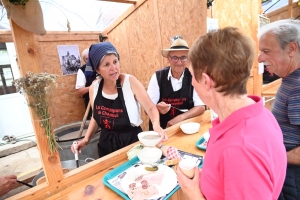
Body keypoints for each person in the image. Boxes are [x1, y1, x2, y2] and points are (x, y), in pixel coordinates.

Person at [176, 27, 286, 199]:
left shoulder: (240, 149)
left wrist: (195, 194)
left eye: (191, 74)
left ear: (206, 81)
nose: (190, 82)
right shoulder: (259, 113)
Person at [71, 42, 167, 158]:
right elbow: (96, 117)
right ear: (97, 69)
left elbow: (151, 108)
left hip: (131, 142)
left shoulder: (130, 82)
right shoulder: (94, 89)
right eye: (106, 65)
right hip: (106, 144)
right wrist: (86, 140)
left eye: (115, 62)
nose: (113, 68)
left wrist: (156, 124)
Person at [257, 19, 300, 200]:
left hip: (293, 179)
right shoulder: (290, 79)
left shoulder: (297, 87)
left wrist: (270, 156)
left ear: (291, 49)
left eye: (266, 51)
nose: (259, 58)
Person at [147, 37, 205, 129]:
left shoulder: (193, 76)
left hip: (186, 127)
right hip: (162, 128)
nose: (179, 62)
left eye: (183, 58)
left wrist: (180, 118)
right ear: (168, 59)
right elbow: (147, 109)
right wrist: (158, 108)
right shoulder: (158, 77)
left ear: (188, 59)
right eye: (174, 58)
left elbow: (201, 107)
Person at [75, 48, 96, 119]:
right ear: (84, 60)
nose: (90, 61)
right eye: (87, 59)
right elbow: (80, 91)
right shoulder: (82, 71)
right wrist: (93, 86)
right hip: (91, 106)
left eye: (91, 58)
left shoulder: (101, 67)